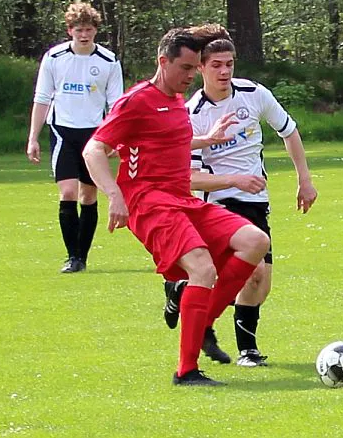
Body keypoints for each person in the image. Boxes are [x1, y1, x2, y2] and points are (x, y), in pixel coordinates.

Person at [82, 28, 270, 386]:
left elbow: (168, 139)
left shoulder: (176, 101)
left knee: (255, 241)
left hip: (182, 198)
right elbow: (94, 149)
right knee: (202, 267)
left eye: (194, 68)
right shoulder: (136, 101)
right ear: (162, 62)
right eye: (185, 68)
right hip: (149, 202)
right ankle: (187, 371)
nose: (190, 76)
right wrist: (114, 194)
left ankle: (202, 322)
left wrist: (207, 139)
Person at [163, 24, 317, 367]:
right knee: (253, 270)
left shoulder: (254, 93)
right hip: (218, 202)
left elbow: (289, 131)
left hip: (256, 202)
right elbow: (191, 179)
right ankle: (246, 349)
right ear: (200, 67)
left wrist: (304, 180)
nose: (224, 71)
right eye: (216, 65)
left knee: (261, 282)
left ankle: (183, 290)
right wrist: (234, 180)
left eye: (229, 64)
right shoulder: (192, 114)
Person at [26, 1, 124, 274]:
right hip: (62, 131)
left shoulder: (108, 61)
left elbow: (116, 104)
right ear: (69, 30)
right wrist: (33, 137)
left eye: (89, 29)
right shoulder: (54, 57)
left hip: (94, 135)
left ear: (96, 30)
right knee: (68, 191)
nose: (84, 35)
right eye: (79, 30)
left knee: (88, 195)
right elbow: (42, 98)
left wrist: (116, 139)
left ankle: (82, 256)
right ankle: (72, 257)